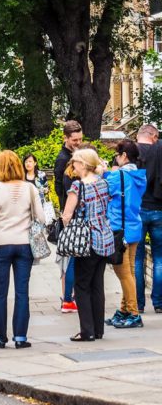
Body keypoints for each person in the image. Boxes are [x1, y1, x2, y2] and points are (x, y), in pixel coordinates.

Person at [0, 150, 45, 348]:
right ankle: (20, 338)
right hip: (24, 244)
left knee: (0, 292)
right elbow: (41, 218)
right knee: (22, 292)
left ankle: (0, 338)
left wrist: (0, 221)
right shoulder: (29, 189)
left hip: (1, 245)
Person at [63, 147, 115, 342]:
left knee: (82, 285)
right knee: (97, 285)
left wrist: (68, 224)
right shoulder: (102, 183)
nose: (73, 166)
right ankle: (98, 329)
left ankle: (87, 331)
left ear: (83, 164)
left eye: (75, 162)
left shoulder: (78, 187)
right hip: (104, 237)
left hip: (86, 240)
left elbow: (67, 215)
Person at [104, 139, 146, 329]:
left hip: (120, 230)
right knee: (129, 273)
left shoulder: (118, 176)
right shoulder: (138, 175)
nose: (116, 158)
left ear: (124, 156)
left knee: (123, 273)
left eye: (117, 155)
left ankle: (134, 313)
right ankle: (124, 310)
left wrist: (103, 170)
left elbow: (103, 186)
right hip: (134, 227)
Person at [54, 120, 83, 313]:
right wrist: (67, 211)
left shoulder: (77, 154)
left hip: (73, 214)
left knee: (72, 258)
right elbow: (59, 187)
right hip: (71, 215)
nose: (78, 143)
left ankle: (69, 297)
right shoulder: (63, 159)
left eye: (80, 139)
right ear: (66, 138)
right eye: (74, 140)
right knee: (71, 258)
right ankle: (68, 298)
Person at [134, 123, 162, 314]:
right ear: (154, 135)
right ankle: (159, 302)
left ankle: (138, 303)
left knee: (137, 258)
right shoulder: (159, 151)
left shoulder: (131, 151)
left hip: (138, 209)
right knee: (160, 258)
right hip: (159, 209)